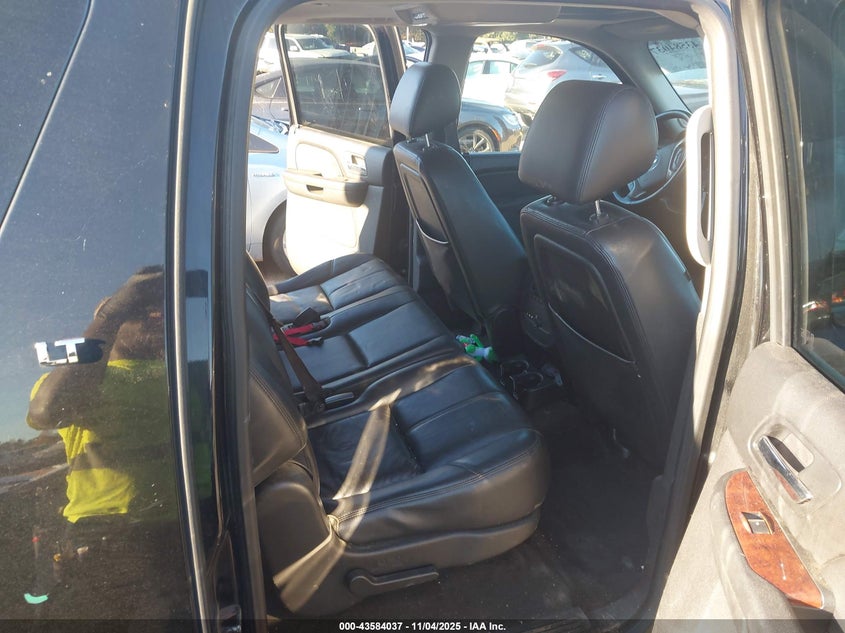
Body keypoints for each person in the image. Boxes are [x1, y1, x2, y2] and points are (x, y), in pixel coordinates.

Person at [26, 267, 190, 621]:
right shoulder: (78, 383)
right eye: (140, 311)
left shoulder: (183, 372)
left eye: (159, 310)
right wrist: (112, 313)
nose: (155, 316)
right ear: (108, 329)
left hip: (182, 528)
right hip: (103, 538)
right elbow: (46, 410)